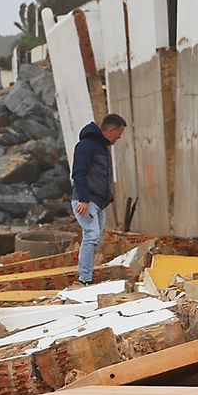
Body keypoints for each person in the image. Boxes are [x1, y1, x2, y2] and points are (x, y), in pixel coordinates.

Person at [69, 113, 126, 285]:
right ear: (111, 129)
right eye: (119, 133)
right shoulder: (86, 146)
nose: (119, 137)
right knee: (91, 236)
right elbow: (78, 172)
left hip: (98, 203)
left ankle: (86, 275)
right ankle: (84, 279)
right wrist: (84, 199)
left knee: (95, 239)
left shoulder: (102, 148)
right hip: (85, 201)